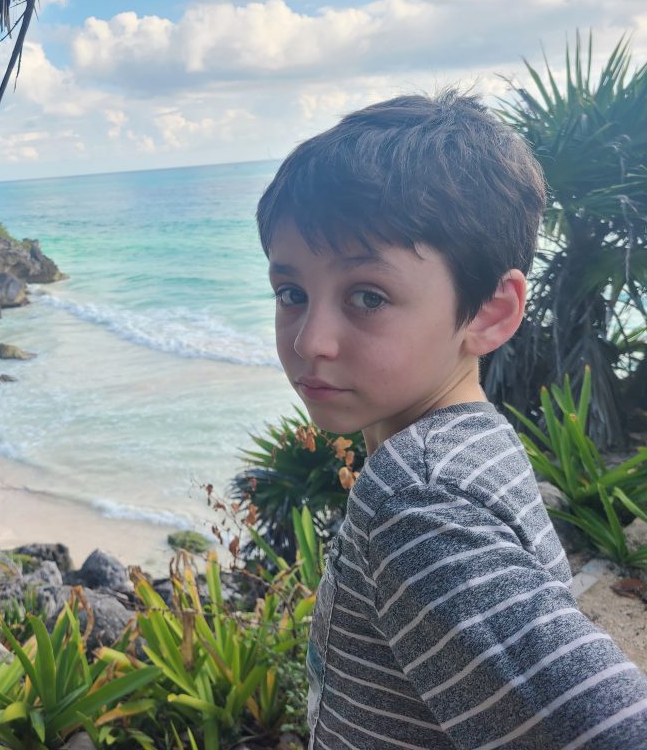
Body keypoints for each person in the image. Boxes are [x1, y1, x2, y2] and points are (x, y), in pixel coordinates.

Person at [256, 91, 647, 749]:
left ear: (492, 312)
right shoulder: (471, 440)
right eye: (292, 293)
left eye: (367, 297)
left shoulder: (417, 505)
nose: (310, 341)